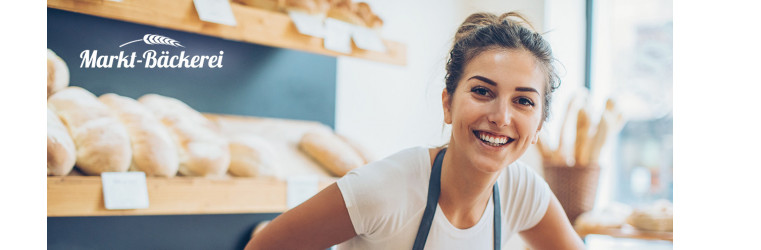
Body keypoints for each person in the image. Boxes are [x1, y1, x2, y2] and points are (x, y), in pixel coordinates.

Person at [247, 12, 586, 250]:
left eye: (523, 101)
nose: (501, 116)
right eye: (482, 91)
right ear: (448, 104)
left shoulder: (522, 191)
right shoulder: (384, 189)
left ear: (540, 124)